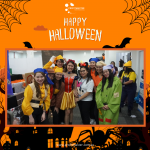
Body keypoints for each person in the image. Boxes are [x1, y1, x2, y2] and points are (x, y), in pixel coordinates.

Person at [60, 59, 78, 124]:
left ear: (74, 67)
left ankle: (70, 124)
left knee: (71, 111)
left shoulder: (75, 75)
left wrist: (76, 96)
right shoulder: (62, 74)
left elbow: (75, 88)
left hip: (71, 94)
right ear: (66, 66)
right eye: (69, 65)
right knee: (67, 112)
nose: (70, 67)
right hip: (64, 94)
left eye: (72, 66)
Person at [89, 57, 100, 124]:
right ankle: (92, 118)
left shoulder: (98, 70)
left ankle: (97, 119)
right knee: (91, 105)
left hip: (97, 90)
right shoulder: (88, 70)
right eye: (91, 63)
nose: (92, 64)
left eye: (93, 63)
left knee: (96, 106)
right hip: (90, 91)